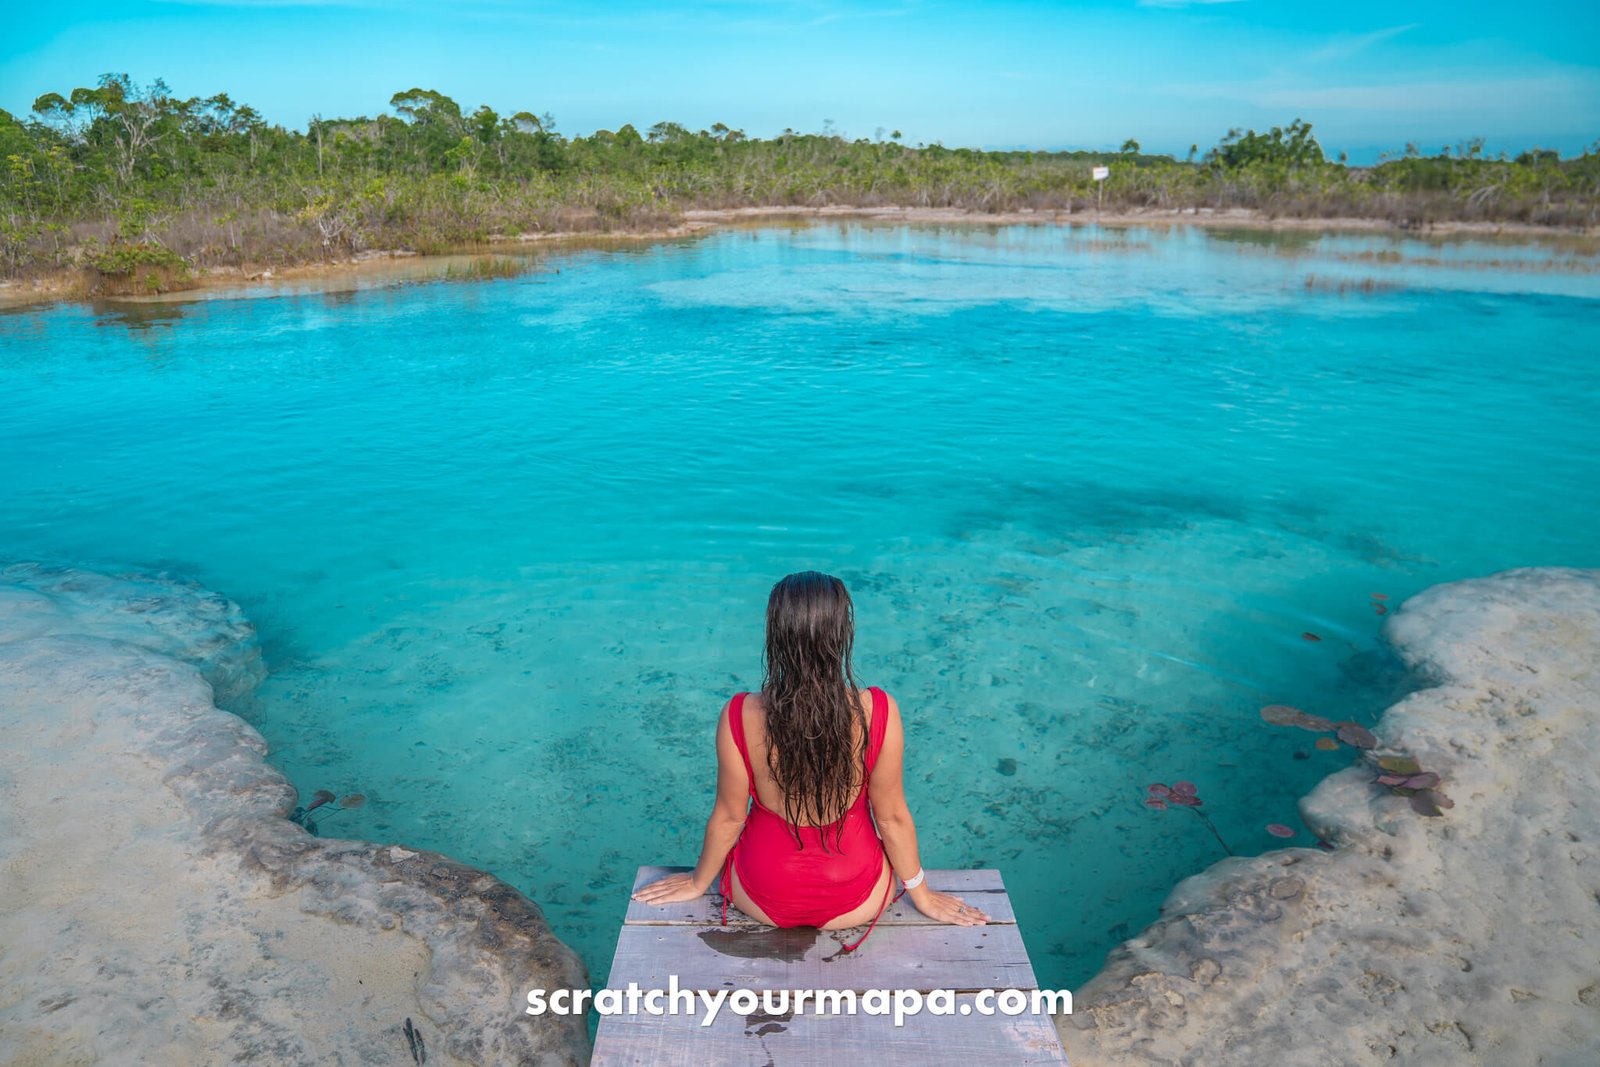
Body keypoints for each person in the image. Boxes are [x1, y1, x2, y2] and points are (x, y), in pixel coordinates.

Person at [632, 570, 989, 946]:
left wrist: (697, 882)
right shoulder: (877, 711)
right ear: (842, 634)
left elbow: (729, 817)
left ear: (775, 636)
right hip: (856, 899)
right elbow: (892, 816)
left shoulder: (740, 714)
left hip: (760, 896)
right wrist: (923, 895)